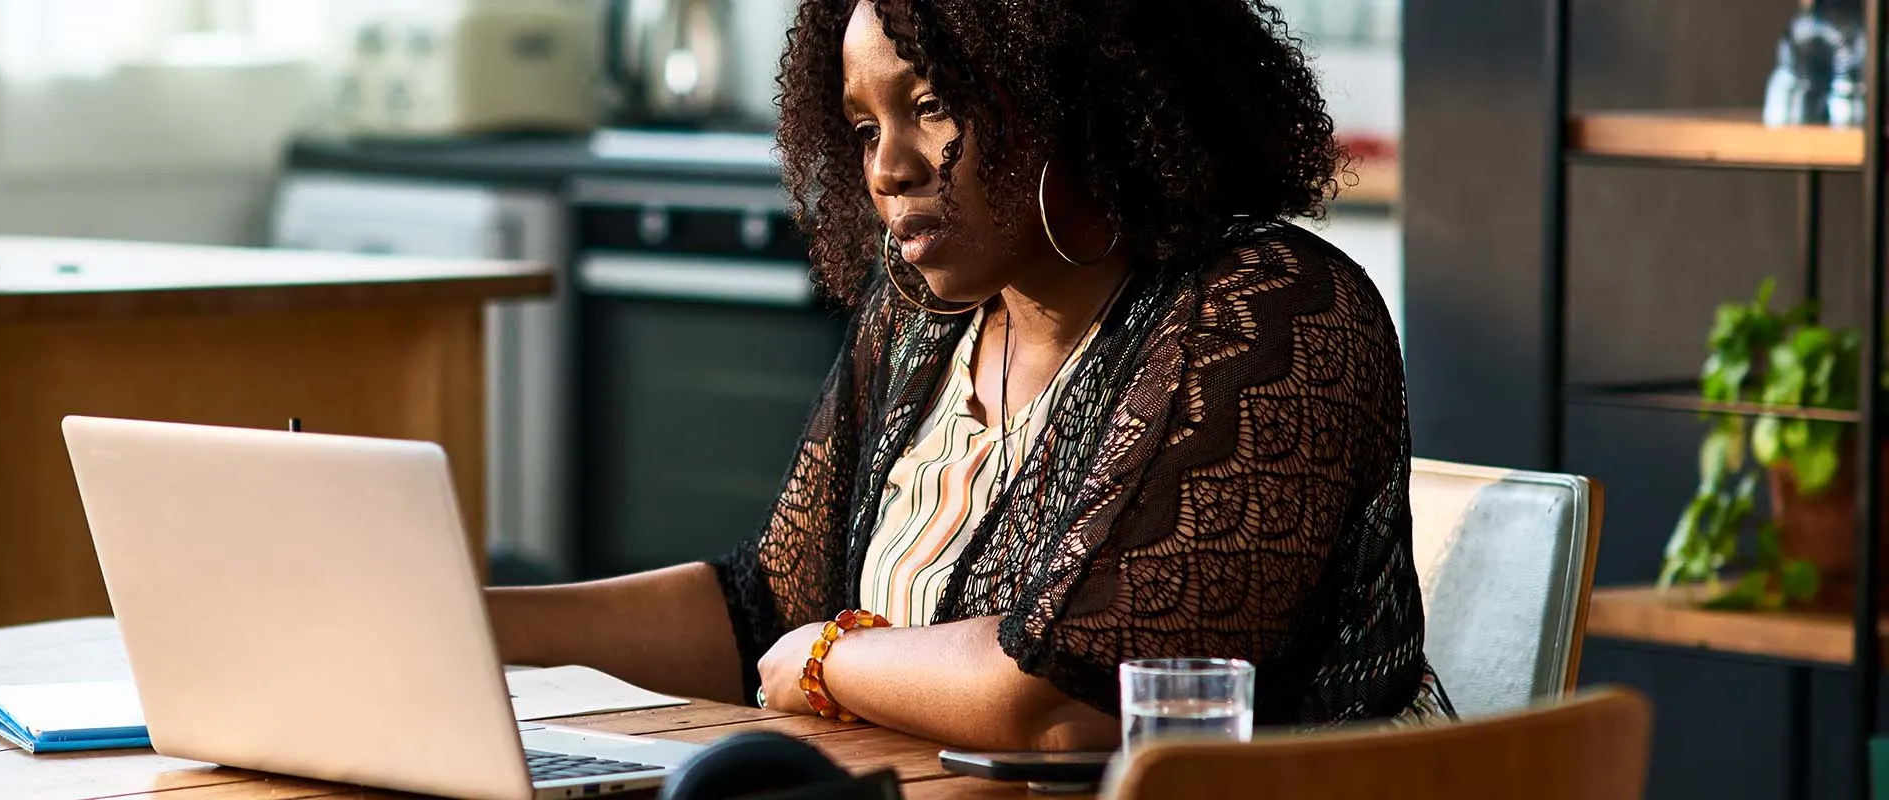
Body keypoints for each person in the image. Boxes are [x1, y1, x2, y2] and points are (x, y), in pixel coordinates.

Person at [488, 0, 1454, 751]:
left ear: (1077, 92)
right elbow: (764, 611)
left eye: (931, 107)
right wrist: (464, 624)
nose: (887, 169)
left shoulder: (1271, 307)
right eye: (864, 128)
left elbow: (1071, 701)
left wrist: (831, 657)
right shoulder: (924, 320)